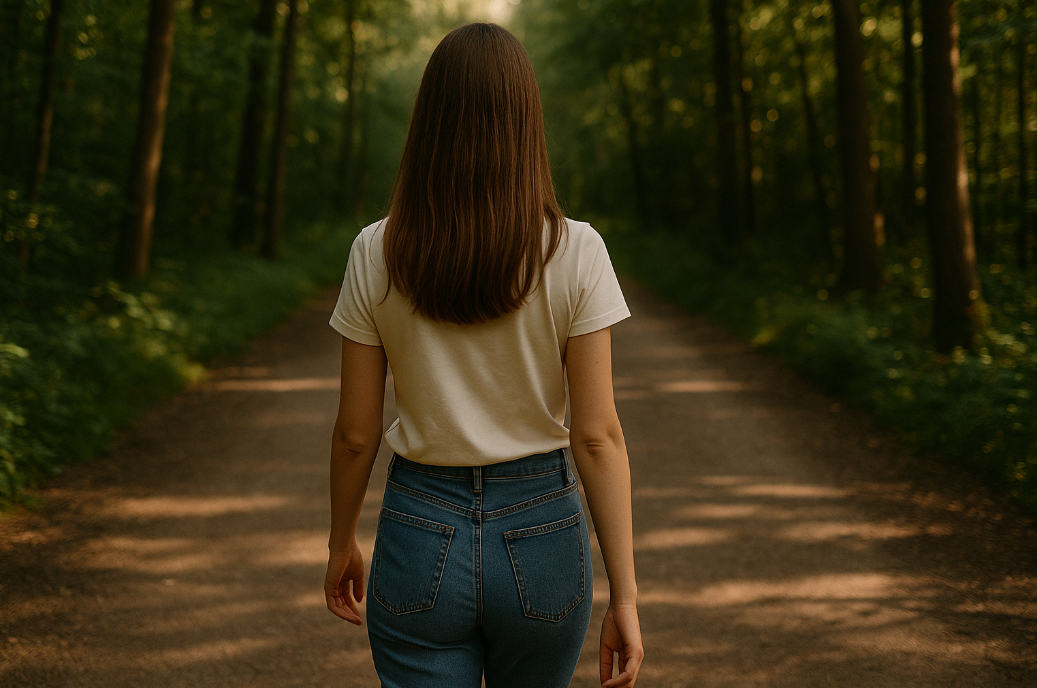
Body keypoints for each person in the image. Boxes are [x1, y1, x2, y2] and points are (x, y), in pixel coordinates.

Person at [322, 22, 643, 688]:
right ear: (525, 121)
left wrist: (339, 542)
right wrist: (627, 595)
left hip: (418, 528)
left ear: (429, 122)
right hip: (544, 535)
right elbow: (598, 435)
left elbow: (356, 434)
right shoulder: (576, 251)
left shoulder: (375, 250)